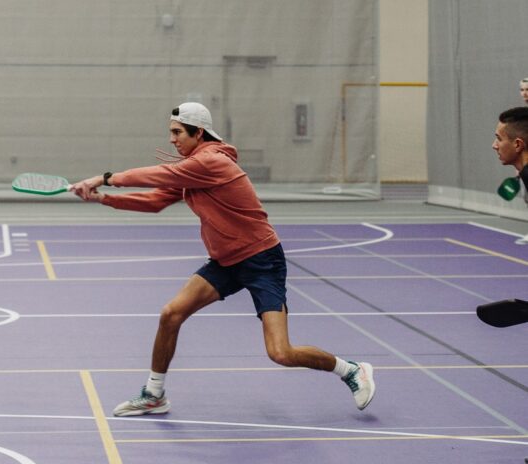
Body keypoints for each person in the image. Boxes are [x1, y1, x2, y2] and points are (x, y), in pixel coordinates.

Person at [72, 102, 376, 417]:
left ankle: (351, 370)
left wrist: (104, 178)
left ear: (198, 132)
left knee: (281, 353)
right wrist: (104, 200)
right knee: (171, 315)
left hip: (262, 261)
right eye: (171, 133)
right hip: (226, 262)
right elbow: (155, 201)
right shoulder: (191, 167)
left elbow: (158, 175)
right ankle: (153, 394)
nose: (172, 139)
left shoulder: (210, 162)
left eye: (177, 133)